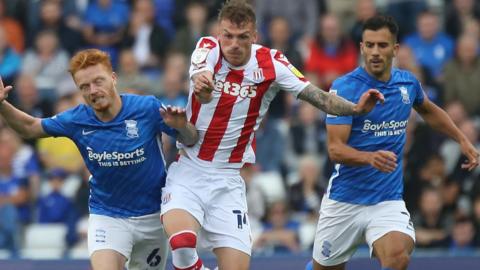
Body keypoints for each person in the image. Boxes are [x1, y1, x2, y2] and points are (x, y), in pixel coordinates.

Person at [159, 1, 384, 270]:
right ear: (219, 34)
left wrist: (356, 109)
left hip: (229, 180)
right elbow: (203, 87)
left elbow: (319, 98)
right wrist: (204, 86)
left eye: (242, 37)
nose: (233, 44)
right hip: (189, 171)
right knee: (183, 244)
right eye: (227, 36)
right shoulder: (207, 48)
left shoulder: (272, 63)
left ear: (254, 37)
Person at [0, 48, 199, 270]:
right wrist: (1, 104)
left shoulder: (147, 108)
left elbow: (191, 139)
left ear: (113, 78)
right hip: (107, 216)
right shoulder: (77, 119)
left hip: (152, 215)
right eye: (84, 86)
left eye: (98, 81)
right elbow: (29, 127)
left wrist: (182, 126)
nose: (93, 90)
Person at [310, 15, 479, 270]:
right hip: (344, 200)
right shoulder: (344, 88)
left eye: (382, 45)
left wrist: (462, 140)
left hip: (386, 200)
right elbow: (335, 149)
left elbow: (430, 110)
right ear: (361, 48)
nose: (375, 52)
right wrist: (369, 158)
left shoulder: (407, 83)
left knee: (398, 256)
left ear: (395, 49)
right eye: (370, 45)